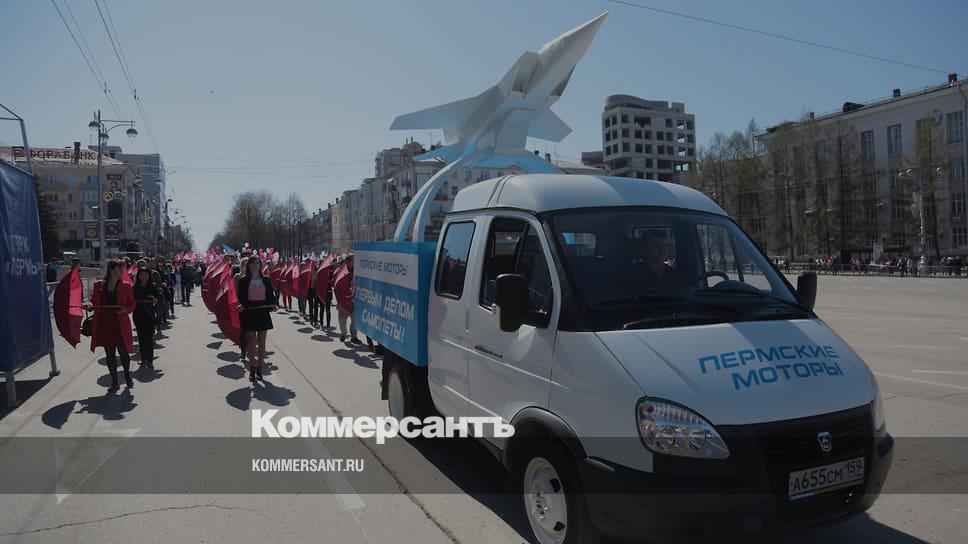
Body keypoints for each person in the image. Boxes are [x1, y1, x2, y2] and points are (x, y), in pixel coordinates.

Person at [85, 260, 137, 391]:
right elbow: (93, 301)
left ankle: (127, 376)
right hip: (105, 323)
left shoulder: (126, 286)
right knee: (109, 353)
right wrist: (89, 305)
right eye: (120, 269)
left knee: (123, 352)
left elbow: (132, 304)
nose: (122, 271)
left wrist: (125, 310)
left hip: (120, 323)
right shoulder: (99, 285)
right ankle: (114, 381)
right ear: (112, 269)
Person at [237, 256, 277, 381]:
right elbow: (241, 298)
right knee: (251, 343)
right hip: (249, 313)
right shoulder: (243, 280)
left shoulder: (266, 280)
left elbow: (271, 296)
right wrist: (240, 305)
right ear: (248, 265)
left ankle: (260, 367)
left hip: (263, 312)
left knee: (262, 343)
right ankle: (252, 367)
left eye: (257, 263)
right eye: (253, 263)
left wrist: (274, 305)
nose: (255, 266)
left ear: (260, 265)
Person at [132, 264, 160, 368]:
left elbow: (159, 298)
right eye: (141, 274)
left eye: (145, 274)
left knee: (149, 338)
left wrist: (155, 299)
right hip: (138, 315)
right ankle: (143, 359)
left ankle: (150, 360)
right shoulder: (134, 287)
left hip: (149, 315)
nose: (143, 276)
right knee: (141, 338)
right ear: (138, 276)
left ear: (149, 276)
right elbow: (130, 300)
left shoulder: (153, 286)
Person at [235, 257, 250, 362]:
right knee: (243, 329)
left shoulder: (253, 276)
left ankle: (250, 347)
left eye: (247, 264)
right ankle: (243, 351)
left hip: (251, 305)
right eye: (244, 264)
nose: (246, 266)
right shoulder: (237, 277)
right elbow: (235, 292)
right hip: (241, 305)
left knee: (251, 329)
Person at [307, 260, 319, 327]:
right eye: (312, 264)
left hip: (316, 290)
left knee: (316, 306)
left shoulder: (318, 271)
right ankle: (311, 319)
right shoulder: (308, 272)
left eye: (314, 264)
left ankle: (315, 320)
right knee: (311, 305)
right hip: (310, 290)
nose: (313, 265)